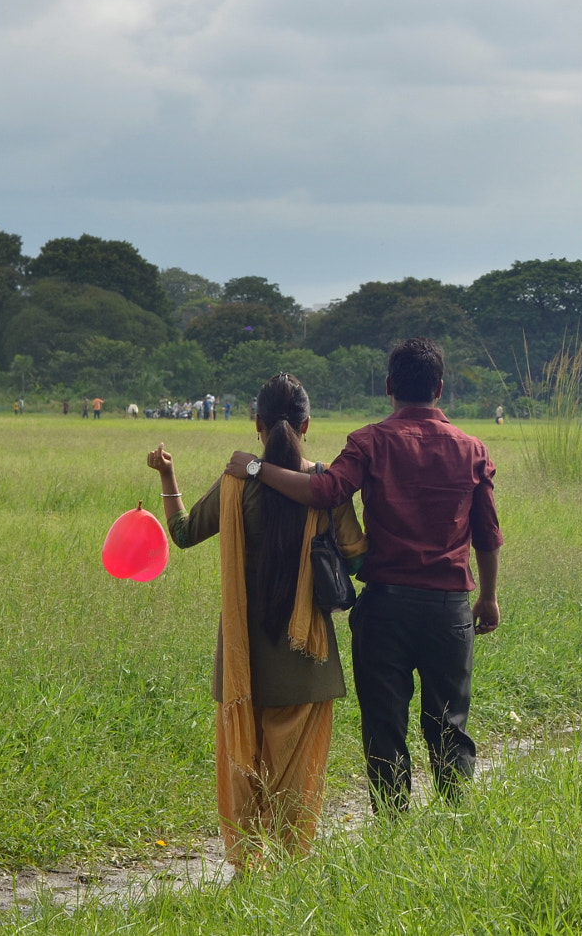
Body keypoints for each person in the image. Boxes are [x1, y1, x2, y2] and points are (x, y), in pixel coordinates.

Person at [230, 337, 501, 813]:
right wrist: (489, 597)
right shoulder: (471, 448)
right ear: (440, 387)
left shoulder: (370, 441)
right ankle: (459, 822)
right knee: (449, 724)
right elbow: (487, 534)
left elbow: (326, 491)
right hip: (449, 609)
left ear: (389, 386)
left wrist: (255, 467)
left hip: (386, 607)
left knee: (384, 724)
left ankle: (392, 833)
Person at [155, 373, 367, 870]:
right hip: (307, 661)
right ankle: (291, 872)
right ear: (307, 424)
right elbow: (358, 557)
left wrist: (167, 475)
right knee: (298, 781)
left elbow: (183, 534)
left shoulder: (237, 481)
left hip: (242, 660)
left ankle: (249, 871)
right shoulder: (326, 485)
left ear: (257, 423)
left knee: (244, 769)